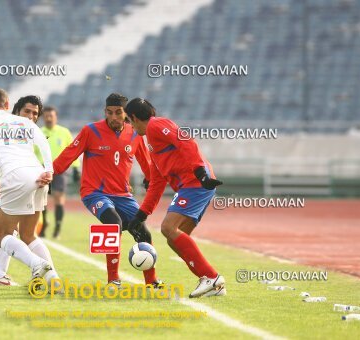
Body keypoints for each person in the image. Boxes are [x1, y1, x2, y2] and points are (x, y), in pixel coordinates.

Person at [52, 93, 162, 288]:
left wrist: (152, 179)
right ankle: (113, 280)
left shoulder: (135, 133)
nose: (113, 117)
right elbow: (69, 154)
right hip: (94, 193)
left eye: (118, 113)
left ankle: (151, 281)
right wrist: (50, 172)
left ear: (126, 113)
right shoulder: (90, 131)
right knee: (113, 223)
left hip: (123, 195)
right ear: (105, 112)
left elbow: (147, 164)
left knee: (143, 232)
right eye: (109, 113)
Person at [125, 98, 226, 298]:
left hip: (195, 182)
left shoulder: (156, 125)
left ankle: (211, 277)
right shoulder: (152, 143)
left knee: (168, 228)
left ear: (134, 117)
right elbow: (157, 182)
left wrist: (199, 172)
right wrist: (141, 215)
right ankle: (213, 285)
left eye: (130, 120)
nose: (131, 126)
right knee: (175, 237)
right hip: (194, 184)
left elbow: (186, 141)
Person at [0, 88, 55, 283]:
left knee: (8, 233)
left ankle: (36, 269)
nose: (31, 116)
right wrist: (49, 169)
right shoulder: (18, 125)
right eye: (27, 111)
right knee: (13, 231)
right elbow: (43, 142)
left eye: (35, 113)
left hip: (9, 179)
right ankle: (3, 273)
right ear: (10, 107)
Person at [38, 106, 80, 239]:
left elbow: (73, 151)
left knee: (58, 196)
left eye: (51, 116)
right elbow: (32, 152)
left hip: (60, 169)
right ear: (43, 117)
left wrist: (75, 168)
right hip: (42, 170)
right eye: (46, 116)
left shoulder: (64, 132)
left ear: (56, 117)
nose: (49, 118)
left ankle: (57, 226)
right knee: (41, 199)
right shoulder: (38, 132)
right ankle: (44, 224)